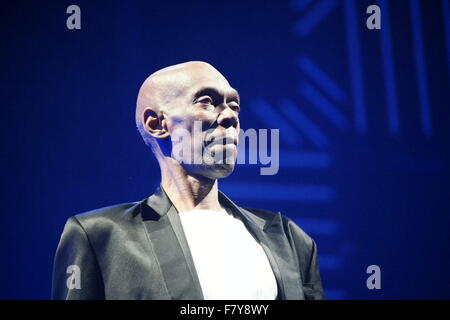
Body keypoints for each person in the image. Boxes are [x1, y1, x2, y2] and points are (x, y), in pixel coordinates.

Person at [51, 61, 324, 300]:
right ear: (156, 124)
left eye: (234, 105)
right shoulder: (102, 237)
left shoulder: (288, 238)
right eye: (206, 101)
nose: (230, 116)